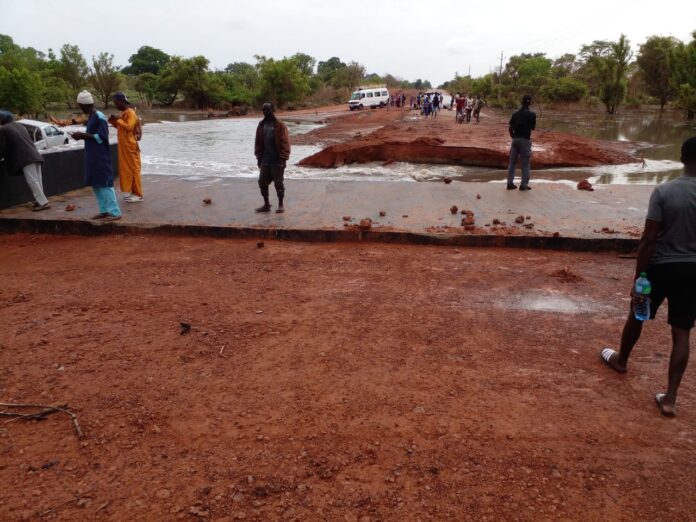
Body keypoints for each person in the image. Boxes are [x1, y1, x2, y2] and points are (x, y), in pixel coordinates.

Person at [600, 137, 696, 417]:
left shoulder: (664, 192)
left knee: (638, 314)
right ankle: (670, 399)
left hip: (659, 267)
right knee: (682, 332)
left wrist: (639, 276)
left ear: (681, 157)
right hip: (692, 271)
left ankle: (621, 359)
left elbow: (649, 238)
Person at [70, 90, 121, 221]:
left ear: (84, 105)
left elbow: (102, 137)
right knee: (96, 183)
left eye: (80, 105)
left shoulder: (99, 116)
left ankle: (115, 212)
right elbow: (94, 136)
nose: (80, 108)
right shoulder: (92, 117)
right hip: (93, 155)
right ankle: (104, 210)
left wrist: (83, 135)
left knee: (104, 183)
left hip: (100, 156)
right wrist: (82, 136)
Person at [0, 110, 51, 211]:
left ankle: (44, 203)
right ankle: (40, 200)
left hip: (25, 157)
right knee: (37, 180)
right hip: (35, 154)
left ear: (2, 119)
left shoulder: (4, 129)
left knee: (32, 181)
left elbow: (2, 147)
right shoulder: (20, 126)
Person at [254, 102, 290, 213]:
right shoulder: (261, 125)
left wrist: (283, 159)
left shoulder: (280, 125)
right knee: (262, 182)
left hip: (277, 160)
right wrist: (258, 158)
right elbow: (258, 143)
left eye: (267, 110)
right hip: (265, 159)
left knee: (278, 183)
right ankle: (266, 204)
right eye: (263, 110)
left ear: (273, 110)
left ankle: (280, 205)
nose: (265, 112)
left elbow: (285, 143)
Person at [108, 92, 143, 202]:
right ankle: (131, 191)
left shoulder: (131, 112)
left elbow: (129, 127)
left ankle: (138, 194)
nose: (115, 105)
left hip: (130, 146)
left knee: (134, 169)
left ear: (122, 102)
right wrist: (113, 120)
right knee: (126, 169)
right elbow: (119, 127)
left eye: (116, 103)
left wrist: (118, 119)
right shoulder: (123, 113)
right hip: (124, 146)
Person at [506, 94, 536, 191]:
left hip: (515, 140)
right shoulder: (532, 115)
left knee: (512, 163)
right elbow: (533, 127)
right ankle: (523, 185)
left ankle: (510, 183)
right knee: (525, 164)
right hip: (525, 140)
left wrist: (513, 137)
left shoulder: (515, 114)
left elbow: (510, 128)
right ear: (530, 103)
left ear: (521, 102)